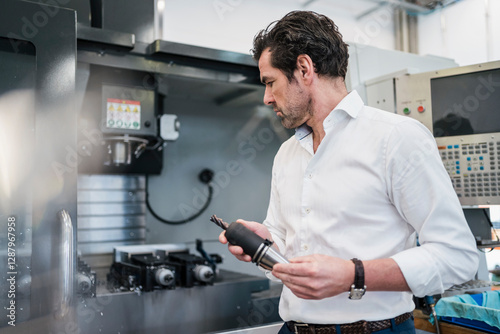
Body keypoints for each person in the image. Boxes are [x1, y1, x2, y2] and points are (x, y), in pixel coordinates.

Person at [219, 10, 479, 334]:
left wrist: (353, 274)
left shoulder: (396, 138)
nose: (266, 97)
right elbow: (288, 245)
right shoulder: (287, 153)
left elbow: (457, 257)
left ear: (304, 68)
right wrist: (266, 243)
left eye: (270, 82)